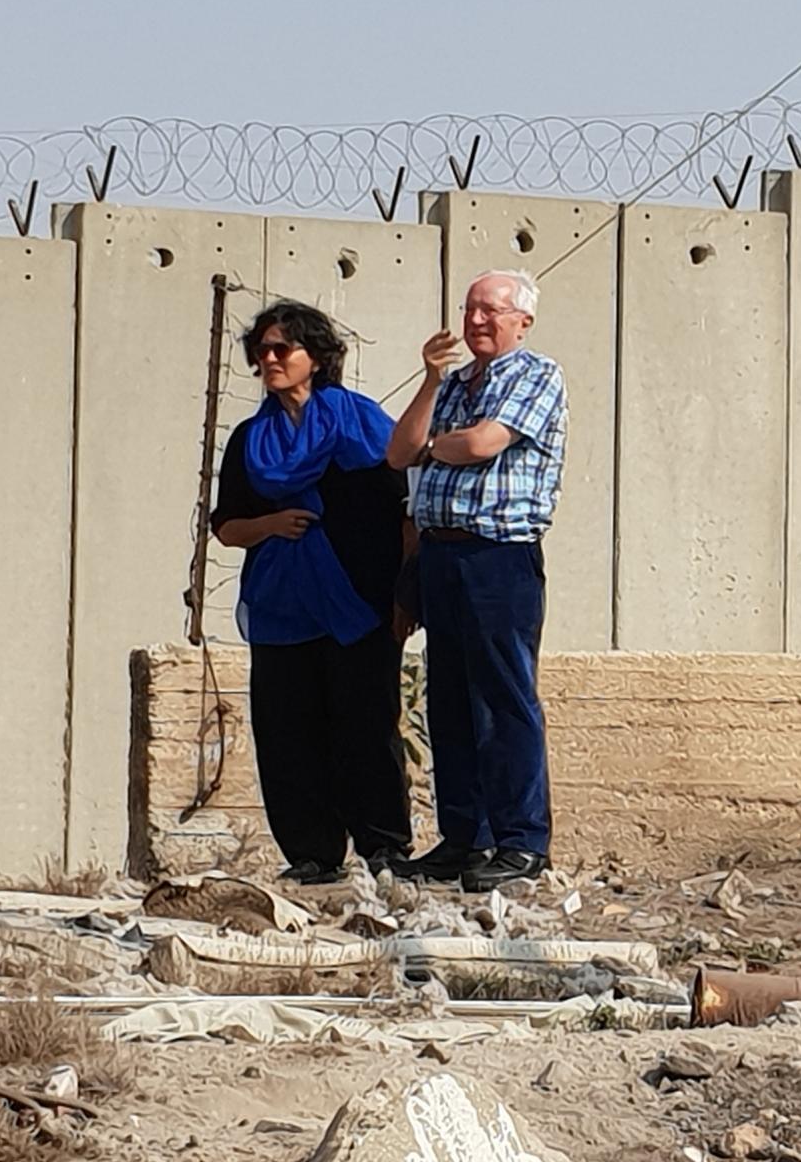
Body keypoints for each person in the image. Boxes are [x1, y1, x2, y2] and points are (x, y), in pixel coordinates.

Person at [211, 301, 413, 883]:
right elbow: (227, 526)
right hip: (282, 605)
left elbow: (402, 508)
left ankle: (384, 847)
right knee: (288, 730)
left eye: (283, 350)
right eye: (262, 352)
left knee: (365, 723)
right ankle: (312, 852)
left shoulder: (362, 423)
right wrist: (271, 526)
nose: (270, 361)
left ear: (315, 359)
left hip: (359, 602)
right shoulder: (252, 440)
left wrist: (403, 592)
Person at [385, 269, 566, 891]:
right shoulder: (455, 383)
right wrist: (432, 380)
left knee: (504, 697)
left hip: (499, 556)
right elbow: (398, 452)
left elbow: (485, 443)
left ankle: (521, 840)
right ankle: (466, 837)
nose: (478, 321)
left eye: (492, 310)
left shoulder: (538, 375)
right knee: (451, 701)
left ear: (523, 321)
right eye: (470, 310)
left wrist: (437, 446)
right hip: (441, 554)